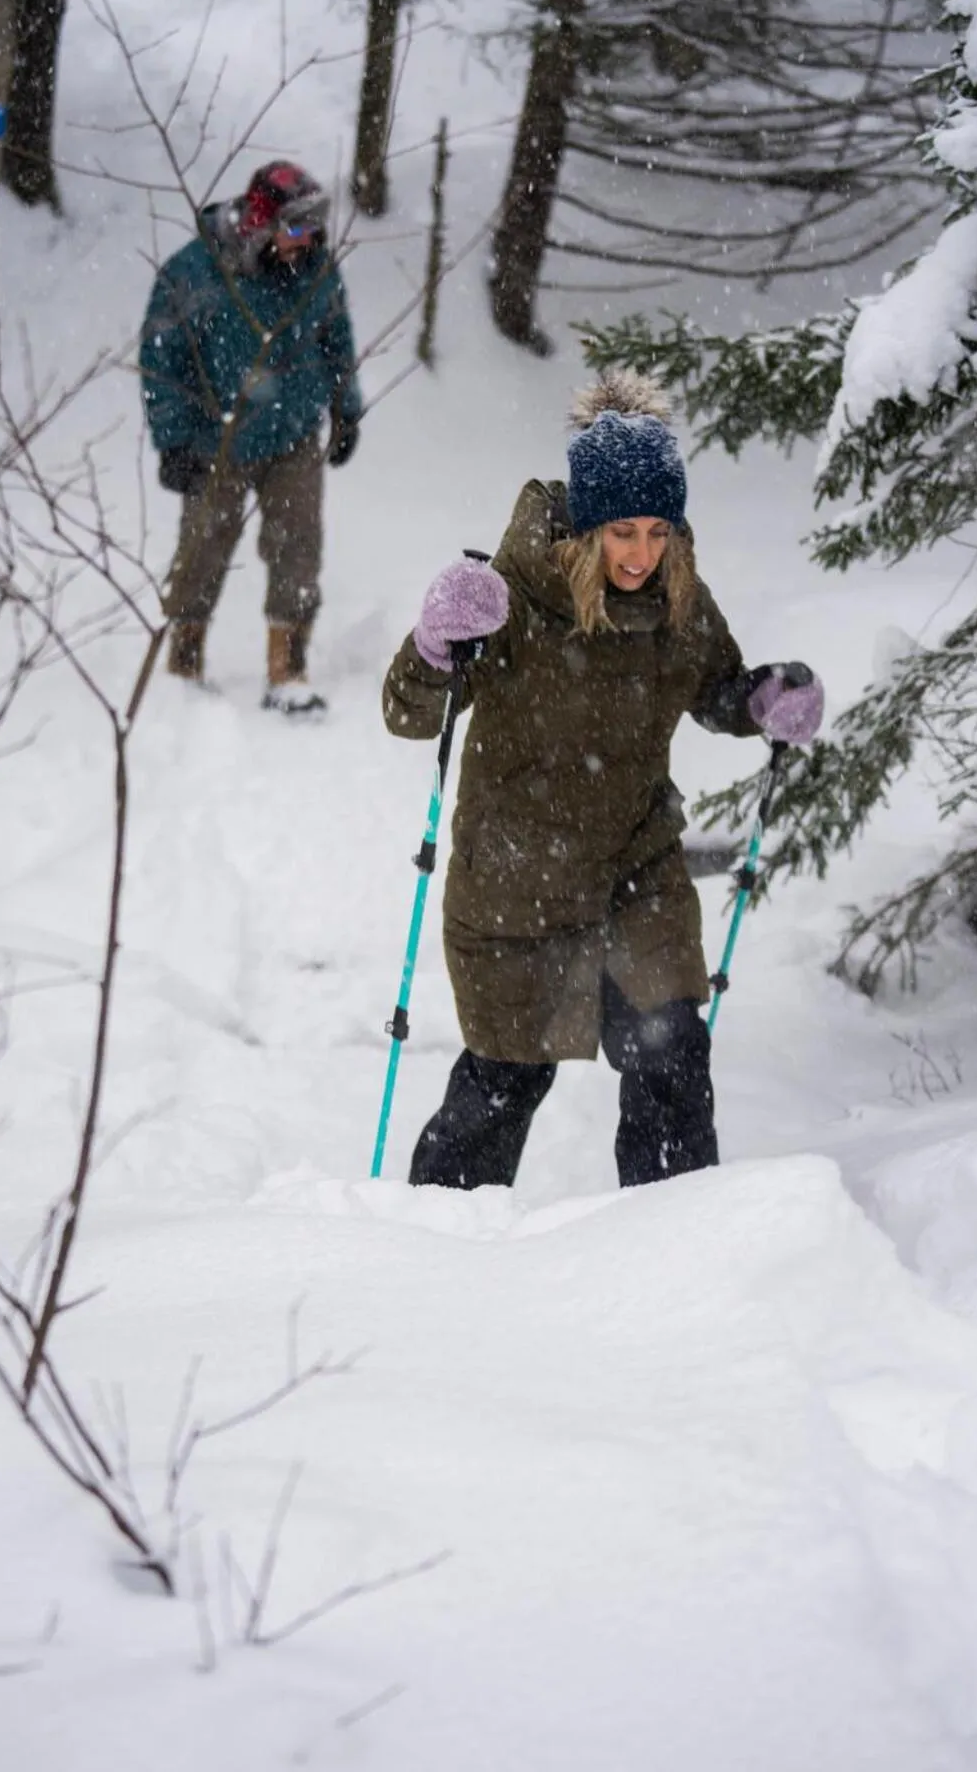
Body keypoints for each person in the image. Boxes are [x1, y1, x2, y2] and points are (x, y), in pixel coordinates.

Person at [381, 369, 824, 1191]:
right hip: (515, 881)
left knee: (671, 1052)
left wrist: (764, 700)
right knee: (506, 1079)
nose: (642, 554)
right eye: (623, 532)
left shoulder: (679, 600)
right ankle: (430, 1239)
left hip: (636, 870)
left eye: (660, 531)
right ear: (587, 528)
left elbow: (716, 687)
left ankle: (675, 1231)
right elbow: (409, 712)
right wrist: (435, 646)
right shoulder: (511, 599)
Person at [139, 162, 363, 713]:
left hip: (294, 435)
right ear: (262, 223)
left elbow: (336, 338)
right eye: (296, 227)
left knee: (299, 548)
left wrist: (346, 410)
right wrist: (174, 440)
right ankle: (183, 661)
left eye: (314, 227)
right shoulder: (195, 272)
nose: (307, 239)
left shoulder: (316, 269)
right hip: (214, 442)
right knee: (202, 551)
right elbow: (161, 360)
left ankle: (289, 668)